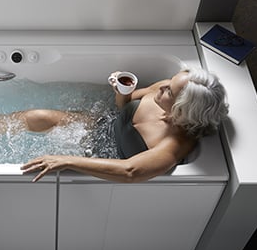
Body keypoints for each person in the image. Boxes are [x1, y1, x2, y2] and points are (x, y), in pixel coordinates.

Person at [18, 67, 229, 183]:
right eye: (171, 80)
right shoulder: (162, 90)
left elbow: (131, 171)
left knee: (38, 164)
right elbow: (123, 107)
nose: (163, 85)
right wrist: (122, 91)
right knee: (35, 116)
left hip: (102, 161)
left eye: (170, 91)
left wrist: (66, 160)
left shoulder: (175, 143)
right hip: (100, 126)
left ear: (181, 110)